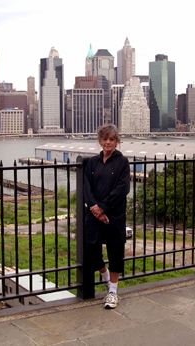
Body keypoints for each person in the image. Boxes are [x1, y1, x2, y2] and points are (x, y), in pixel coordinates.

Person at [84, 124, 130, 309]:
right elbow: (86, 186)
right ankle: (106, 279)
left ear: (117, 141)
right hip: (94, 215)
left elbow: (123, 188)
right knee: (92, 252)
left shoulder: (122, 162)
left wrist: (102, 207)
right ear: (100, 141)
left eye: (111, 139)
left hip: (114, 215)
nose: (108, 142)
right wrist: (94, 207)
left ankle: (113, 292)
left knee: (115, 253)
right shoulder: (93, 163)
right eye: (105, 139)